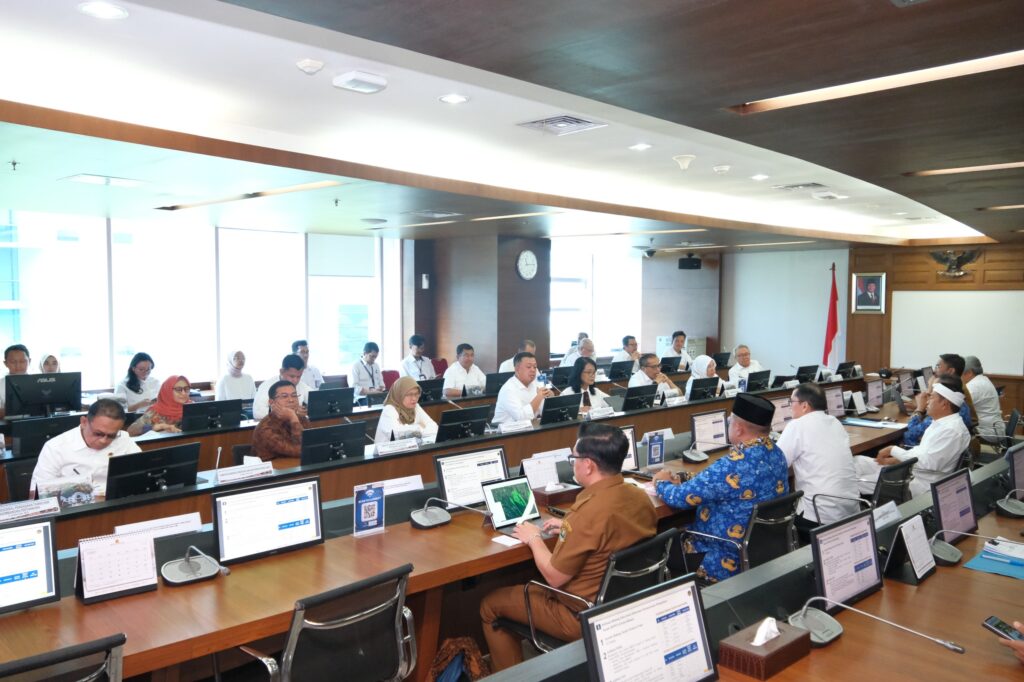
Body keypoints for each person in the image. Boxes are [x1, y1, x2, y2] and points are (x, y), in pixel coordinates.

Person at [479, 423, 657, 671]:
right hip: (628, 602)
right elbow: (612, 530)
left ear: (588, 465)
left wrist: (534, 538)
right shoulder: (638, 496)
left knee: (489, 605)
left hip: (580, 615)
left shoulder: (586, 513)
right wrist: (569, 526)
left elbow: (554, 577)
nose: (572, 464)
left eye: (574, 458)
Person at [654, 393, 788, 582]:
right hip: (762, 550)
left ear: (739, 429)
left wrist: (661, 482)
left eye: (730, 422)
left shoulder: (730, 466)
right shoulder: (777, 453)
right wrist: (686, 477)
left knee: (659, 544)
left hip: (718, 556)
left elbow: (679, 498)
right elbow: (719, 482)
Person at [855, 375, 971, 496]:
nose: (927, 401)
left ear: (944, 404)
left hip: (917, 484)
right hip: (912, 472)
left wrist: (893, 450)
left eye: (931, 397)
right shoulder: (942, 423)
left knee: (854, 482)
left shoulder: (951, 430)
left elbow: (928, 463)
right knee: (857, 461)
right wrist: (896, 460)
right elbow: (922, 452)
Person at [777, 383, 860, 529]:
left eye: (792, 402)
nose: (790, 406)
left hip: (819, 517)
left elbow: (777, 464)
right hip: (852, 511)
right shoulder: (835, 422)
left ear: (804, 406)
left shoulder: (797, 425)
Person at [29, 399, 141, 496]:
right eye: (98, 434)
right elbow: (37, 492)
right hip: (74, 506)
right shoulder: (56, 447)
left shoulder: (124, 439)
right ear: (84, 422)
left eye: (111, 436)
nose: (103, 440)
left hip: (115, 502)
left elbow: (141, 475)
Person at [901, 353, 973, 446]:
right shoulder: (955, 391)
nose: (934, 371)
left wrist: (919, 410)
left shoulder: (948, 398)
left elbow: (911, 433)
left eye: (938, 366)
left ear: (951, 371)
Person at [251, 380, 310, 463]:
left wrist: (294, 418)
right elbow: (302, 450)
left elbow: (312, 445)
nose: (291, 400)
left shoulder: (301, 419)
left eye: (294, 395)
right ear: (271, 402)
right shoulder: (266, 428)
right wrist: (293, 419)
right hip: (274, 468)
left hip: (297, 465)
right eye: (284, 396)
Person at [493, 352, 553, 424]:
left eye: (535, 367)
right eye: (529, 367)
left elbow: (543, 411)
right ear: (517, 369)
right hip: (505, 429)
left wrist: (550, 399)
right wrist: (539, 396)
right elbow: (521, 418)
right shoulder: (508, 389)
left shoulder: (535, 384)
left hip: (529, 426)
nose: (533, 370)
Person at [374, 376, 438, 443]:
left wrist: (416, 431)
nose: (414, 398)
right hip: (388, 449)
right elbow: (396, 434)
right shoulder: (389, 409)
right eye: (409, 394)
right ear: (399, 394)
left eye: (416, 394)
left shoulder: (416, 407)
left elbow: (434, 426)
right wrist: (418, 428)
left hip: (411, 447)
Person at [253, 354, 311, 420]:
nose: (295, 380)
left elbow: (317, 401)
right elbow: (257, 413)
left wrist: (306, 410)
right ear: (281, 372)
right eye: (292, 376)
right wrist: (290, 413)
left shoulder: (302, 385)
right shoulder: (266, 386)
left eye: (299, 376)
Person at [963, 356, 1002, 440]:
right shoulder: (983, 379)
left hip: (987, 431)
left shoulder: (974, 386)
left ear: (969, 373)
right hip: (994, 428)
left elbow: (957, 406)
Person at [0, 344, 31, 418]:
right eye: (13, 362)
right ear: (5, 363)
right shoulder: (0, 384)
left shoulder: (38, 382)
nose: (18, 366)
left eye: (22, 361)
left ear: (29, 361)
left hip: (36, 423)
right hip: (8, 424)